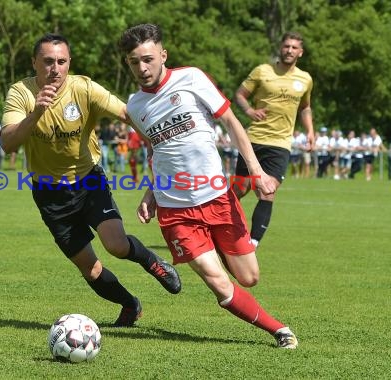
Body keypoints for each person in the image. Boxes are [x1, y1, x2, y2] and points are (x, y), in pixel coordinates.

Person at [120, 23, 298, 348]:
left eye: (147, 59)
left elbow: (231, 122)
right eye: (134, 61)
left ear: (163, 55)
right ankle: (279, 331)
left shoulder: (191, 78)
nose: (142, 68)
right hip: (175, 209)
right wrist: (151, 193)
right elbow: (155, 151)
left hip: (217, 197)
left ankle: (216, 247)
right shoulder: (134, 106)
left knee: (249, 278)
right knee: (218, 281)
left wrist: (256, 172)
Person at [0, 33, 181, 327]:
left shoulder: (83, 87)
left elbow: (127, 112)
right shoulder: (21, 92)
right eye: (47, 62)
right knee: (91, 269)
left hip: (89, 181)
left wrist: (157, 139)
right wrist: (36, 113)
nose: (55, 68)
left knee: (116, 245)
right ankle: (130, 304)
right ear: (34, 62)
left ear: (69, 62)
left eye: (61, 61)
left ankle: (153, 263)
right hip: (49, 193)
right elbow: (7, 143)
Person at [234, 31, 314, 248]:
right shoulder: (263, 71)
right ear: (281, 47)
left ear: (300, 52)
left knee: (267, 191)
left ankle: (252, 242)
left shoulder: (305, 79)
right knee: (239, 189)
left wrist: (310, 131)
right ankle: (216, 227)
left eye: (294, 47)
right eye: (286, 46)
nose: (289, 50)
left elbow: (305, 108)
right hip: (253, 140)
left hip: (280, 144)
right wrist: (250, 111)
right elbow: (239, 95)